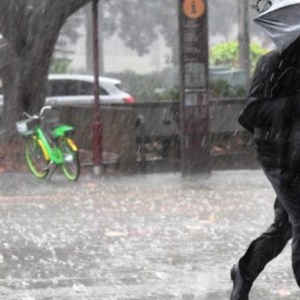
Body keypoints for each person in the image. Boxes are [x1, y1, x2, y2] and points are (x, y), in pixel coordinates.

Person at [230, 36, 300, 299]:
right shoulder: (271, 62)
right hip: (279, 157)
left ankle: (244, 272)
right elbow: (252, 111)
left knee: (284, 227)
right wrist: (295, 103)